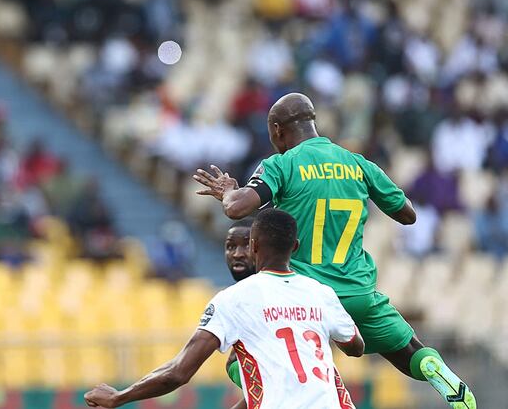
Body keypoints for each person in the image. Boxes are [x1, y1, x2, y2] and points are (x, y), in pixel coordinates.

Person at [193, 93, 476, 408]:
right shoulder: (357, 163)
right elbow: (407, 214)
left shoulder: (282, 164)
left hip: (305, 293)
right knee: (407, 348)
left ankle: (320, 379)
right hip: (358, 289)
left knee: (239, 358)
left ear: (276, 129)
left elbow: (236, 208)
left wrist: (228, 190)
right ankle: (432, 367)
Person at [84, 209, 365, 408]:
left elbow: (179, 371)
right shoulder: (320, 292)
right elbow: (355, 346)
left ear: (254, 245)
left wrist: (120, 397)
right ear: (295, 246)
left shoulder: (234, 300)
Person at [222, 217, 356, 409]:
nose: (238, 254)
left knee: (235, 364)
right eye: (230, 246)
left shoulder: (294, 292)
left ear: (259, 246)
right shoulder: (243, 298)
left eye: (246, 245)